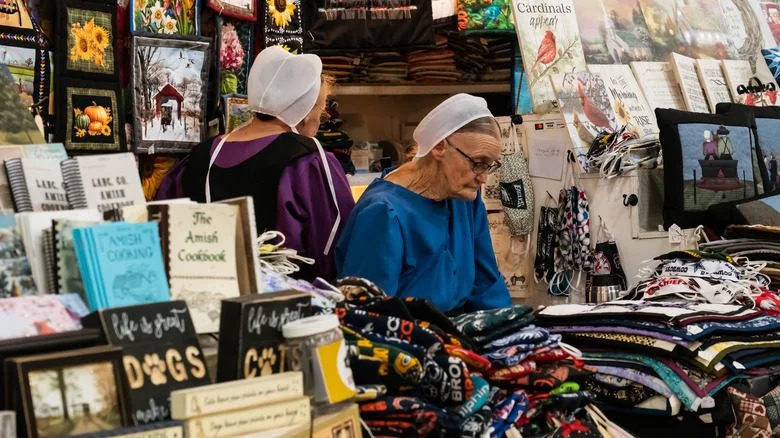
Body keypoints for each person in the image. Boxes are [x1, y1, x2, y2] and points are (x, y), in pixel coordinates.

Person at [183, 46, 355, 281]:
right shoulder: (310, 161)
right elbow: (339, 245)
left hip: (207, 298)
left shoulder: (201, 157)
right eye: (321, 109)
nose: (320, 118)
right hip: (290, 304)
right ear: (305, 110)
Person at [335, 94, 512, 314]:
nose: (483, 177)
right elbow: (370, 315)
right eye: (477, 163)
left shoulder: (463, 199)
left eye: (489, 166)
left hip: (459, 334)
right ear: (439, 146)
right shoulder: (383, 213)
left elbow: (488, 286)